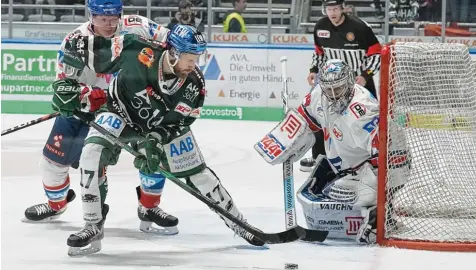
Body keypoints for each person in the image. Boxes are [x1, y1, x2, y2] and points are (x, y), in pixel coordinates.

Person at [56, 24, 266, 256]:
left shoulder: (194, 85)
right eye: (189, 58)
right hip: (118, 113)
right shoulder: (135, 49)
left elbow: (179, 124)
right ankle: (93, 223)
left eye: (196, 58)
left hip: (158, 128)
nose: (193, 65)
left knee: (200, 175)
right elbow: (80, 47)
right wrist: (69, 85)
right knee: (91, 154)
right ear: (174, 52)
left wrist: (155, 141)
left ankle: (240, 224)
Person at [22, 0, 179, 235]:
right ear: (91, 16)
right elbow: (64, 85)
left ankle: (148, 207)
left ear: (120, 14)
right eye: (102, 19)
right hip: (87, 112)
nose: (108, 24)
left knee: (152, 153)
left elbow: (173, 44)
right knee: (52, 163)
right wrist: (84, 96)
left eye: (113, 18)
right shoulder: (75, 41)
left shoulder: (137, 26)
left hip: (134, 108)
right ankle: (57, 204)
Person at [255, 59, 380, 244]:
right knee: (320, 188)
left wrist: (379, 187)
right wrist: (285, 142)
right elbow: (304, 120)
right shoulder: (318, 95)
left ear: (349, 83)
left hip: (369, 167)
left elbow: (386, 150)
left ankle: (378, 218)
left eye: (337, 89)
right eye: (327, 89)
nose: (332, 95)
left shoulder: (364, 109)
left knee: (355, 192)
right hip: (344, 165)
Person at [301, 0, 382, 172]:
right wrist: (314, 70)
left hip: (357, 84)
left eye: (335, 8)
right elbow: (319, 53)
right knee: (320, 116)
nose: (332, 12)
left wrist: (365, 75)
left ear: (343, 8)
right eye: (329, 9)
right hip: (331, 85)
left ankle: (367, 160)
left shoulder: (360, 27)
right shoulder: (321, 26)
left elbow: (376, 54)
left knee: (365, 121)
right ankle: (319, 159)